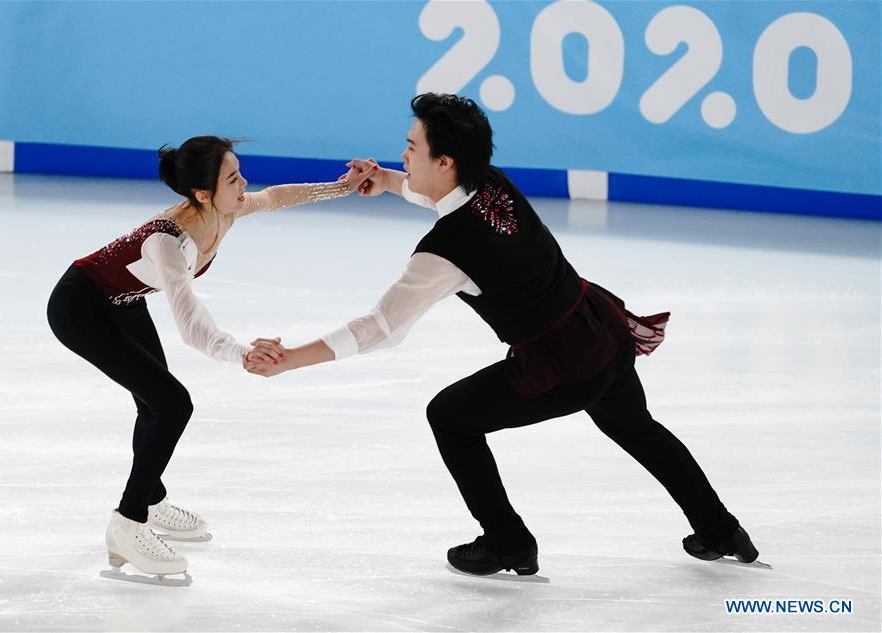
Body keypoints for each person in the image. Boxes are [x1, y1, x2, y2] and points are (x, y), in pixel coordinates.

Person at [244, 95, 759, 576]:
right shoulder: (491, 181)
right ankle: (720, 528)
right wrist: (387, 179)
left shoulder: (444, 253)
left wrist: (291, 359)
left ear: (445, 161)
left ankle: (506, 539)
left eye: (411, 147)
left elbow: (380, 328)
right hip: (600, 329)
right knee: (637, 427)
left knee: (450, 417)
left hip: (562, 364)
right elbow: (443, 197)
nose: (403, 153)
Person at [46, 136, 374, 583]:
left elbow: (276, 197)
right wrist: (242, 352)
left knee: (154, 401)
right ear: (202, 194)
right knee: (172, 403)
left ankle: (150, 494)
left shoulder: (227, 208)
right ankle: (128, 521)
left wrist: (341, 188)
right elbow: (191, 324)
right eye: (233, 178)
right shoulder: (168, 241)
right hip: (79, 307)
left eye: (240, 173)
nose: (245, 184)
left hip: (122, 301)